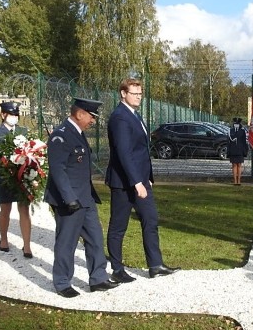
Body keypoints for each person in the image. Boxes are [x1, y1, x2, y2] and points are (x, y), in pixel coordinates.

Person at [105, 78, 180, 280]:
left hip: (141, 179)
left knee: (150, 219)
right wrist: (137, 182)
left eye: (140, 94)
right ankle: (117, 269)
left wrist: (147, 178)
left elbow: (141, 152)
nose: (138, 97)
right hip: (124, 181)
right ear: (123, 93)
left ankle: (155, 265)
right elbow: (124, 152)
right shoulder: (120, 117)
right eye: (134, 93)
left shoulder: (134, 115)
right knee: (119, 225)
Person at [44, 98, 115, 298]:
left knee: (95, 238)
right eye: (91, 116)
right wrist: (69, 198)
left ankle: (98, 278)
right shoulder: (61, 135)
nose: (93, 120)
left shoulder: (78, 134)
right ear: (80, 114)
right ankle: (62, 282)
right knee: (67, 242)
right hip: (69, 200)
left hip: (85, 198)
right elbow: (58, 169)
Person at [0, 100, 33, 258]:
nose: (14, 117)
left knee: (24, 210)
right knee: (5, 209)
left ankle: (26, 245)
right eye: (11, 114)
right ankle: (4, 239)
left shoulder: (24, 131)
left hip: (22, 176)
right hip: (4, 177)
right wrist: (7, 154)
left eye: (16, 114)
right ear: (3, 115)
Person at [226, 117, 249, 185]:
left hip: (240, 150)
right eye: (235, 123)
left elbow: (244, 142)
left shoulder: (242, 131)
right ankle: (235, 181)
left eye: (237, 123)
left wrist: (245, 151)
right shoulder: (231, 131)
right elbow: (228, 142)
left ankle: (239, 180)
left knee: (239, 165)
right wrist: (229, 151)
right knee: (234, 165)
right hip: (233, 150)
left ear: (239, 124)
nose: (236, 124)